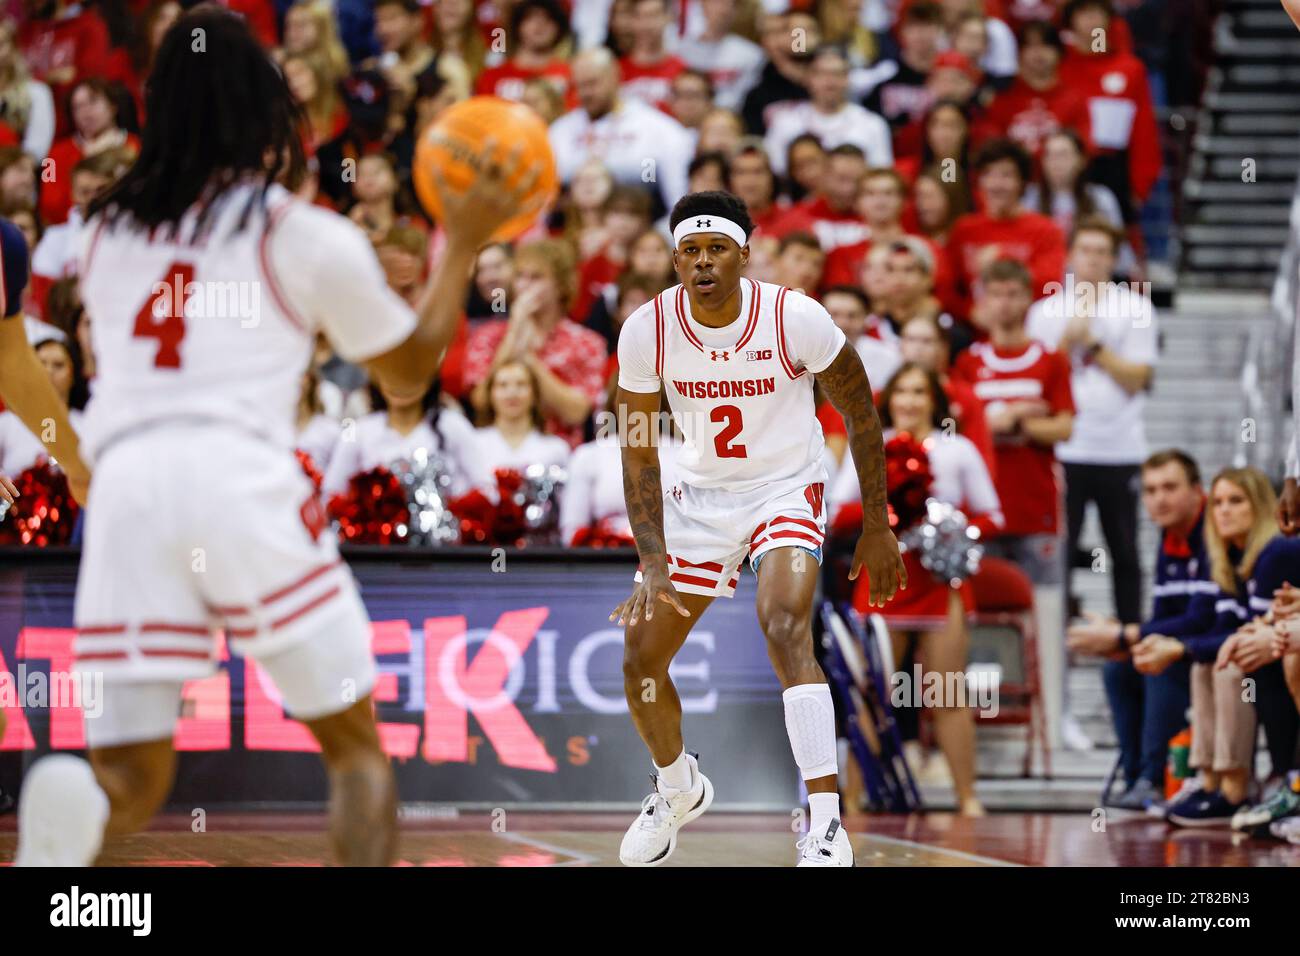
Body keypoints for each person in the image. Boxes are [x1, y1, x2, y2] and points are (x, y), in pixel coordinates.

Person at [11, 7, 531, 868]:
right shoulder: (299, 232)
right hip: (238, 476)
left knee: (131, 775)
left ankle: (75, 826)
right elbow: (404, 376)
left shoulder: (100, 233)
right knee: (356, 748)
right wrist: (463, 244)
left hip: (128, 483)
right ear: (267, 111)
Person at [612, 189, 905, 867]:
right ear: (675, 259)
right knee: (639, 661)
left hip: (784, 489)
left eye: (717, 248)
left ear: (746, 253)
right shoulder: (645, 330)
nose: (703, 262)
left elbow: (861, 414)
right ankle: (679, 787)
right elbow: (634, 446)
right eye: (690, 250)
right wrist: (652, 560)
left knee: (784, 625)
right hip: (696, 499)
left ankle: (827, 824)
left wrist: (878, 523)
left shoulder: (794, 317)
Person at [831, 363, 1002, 815]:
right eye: (901, 391)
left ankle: (968, 798)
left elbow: (992, 516)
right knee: (869, 694)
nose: (909, 400)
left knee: (946, 692)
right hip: (883, 581)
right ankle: (851, 801)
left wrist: (946, 528)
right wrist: (885, 514)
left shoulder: (958, 448)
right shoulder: (870, 443)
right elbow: (837, 514)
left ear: (934, 400)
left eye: (919, 391)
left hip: (938, 585)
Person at [952, 258, 1079, 750]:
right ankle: (985, 723)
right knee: (978, 617)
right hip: (981, 510)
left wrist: (1009, 424)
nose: (1004, 303)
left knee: (1047, 614)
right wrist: (1009, 418)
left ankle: (1057, 717)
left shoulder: (1050, 360)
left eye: (1013, 293)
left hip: (1036, 509)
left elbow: (1064, 426)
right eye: (995, 293)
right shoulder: (968, 361)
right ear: (983, 299)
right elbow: (963, 426)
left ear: (1027, 298)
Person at [1134, 469, 1297, 826]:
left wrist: (1178, 647)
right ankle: (1209, 780)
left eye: (1236, 501)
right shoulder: (1228, 559)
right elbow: (1225, 630)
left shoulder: (1277, 552)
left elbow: (1254, 632)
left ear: (1261, 506)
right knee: (1205, 663)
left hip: (1286, 654)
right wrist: (1179, 648)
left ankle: (1238, 787)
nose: (1223, 510)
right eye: (1218, 502)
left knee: (1229, 665)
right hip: (1276, 652)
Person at [1027, 217, 1156, 632]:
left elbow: (1139, 378)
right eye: (1086, 250)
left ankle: (1131, 631)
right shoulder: (1045, 311)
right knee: (1061, 548)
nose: (1094, 260)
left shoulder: (1135, 307)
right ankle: (1057, 630)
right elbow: (1040, 380)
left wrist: (1094, 344)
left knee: (1125, 548)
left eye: (1103, 252)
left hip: (1119, 446)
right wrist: (1068, 341)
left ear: (1115, 258)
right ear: (1070, 255)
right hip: (1064, 448)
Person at [1067, 450, 1207, 815]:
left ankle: (1154, 779)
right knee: (1121, 666)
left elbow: (1202, 617)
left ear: (1196, 490)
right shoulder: (1169, 537)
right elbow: (1164, 615)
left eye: (1170, 487)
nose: (1159, 498)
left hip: (1222, 640)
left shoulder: (1211, 533)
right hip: (1190, 642)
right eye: (1151, 490)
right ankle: (1134, 777)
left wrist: (1127, 634)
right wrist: (1128, 639)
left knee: (1155, 660)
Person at [463, 238, 609, 447]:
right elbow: (481, 400)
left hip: (561, 456)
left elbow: (576, 413)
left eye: (536, 278)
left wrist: (528, 359)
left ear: (561, 285)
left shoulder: (586, 343)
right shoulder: (488, 336)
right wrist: (514, 333)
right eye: (520, 276)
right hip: (497, 453)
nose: (524, 286)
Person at [548, 47, 693, 213]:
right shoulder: (560, 131)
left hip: (642, 228)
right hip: (573, 229)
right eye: (579, 86)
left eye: (592, 83)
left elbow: (678, 201)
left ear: (616, 77)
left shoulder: (659, 129)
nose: (585, 93)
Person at [763, 44, 892, 178]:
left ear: (848, 78)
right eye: (822, 74)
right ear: (808, 78)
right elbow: (774, 173)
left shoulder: (872, 124)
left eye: (837, 74)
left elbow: (880, 176)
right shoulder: (785, 122)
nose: (830, 82)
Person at [474, 359, 572, 476]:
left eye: (521, 384)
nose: (512, 393)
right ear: (490, 394)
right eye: (503, 385)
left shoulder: (556, 449)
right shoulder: (474, 443)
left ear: (534, 394)